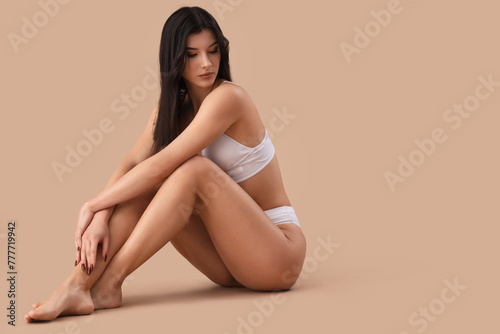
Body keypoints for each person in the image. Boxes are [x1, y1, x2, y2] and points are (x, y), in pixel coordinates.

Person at [25, 6, 306, 322]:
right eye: (192, 54)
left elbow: (163, 164)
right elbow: (134, 162)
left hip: (278, 255)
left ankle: (108, 284)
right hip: (230, 263)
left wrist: (91, 204)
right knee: (148, 182)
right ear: (174, 60)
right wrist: (101, 214)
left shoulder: (230, 98)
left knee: (192, 170)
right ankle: (76, 284)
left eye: (213, 52)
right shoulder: (174, 108)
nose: (205, 63)